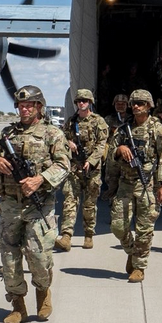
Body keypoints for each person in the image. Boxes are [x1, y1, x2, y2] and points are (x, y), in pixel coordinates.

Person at [0, 85, 70, 323]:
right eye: (21, 105)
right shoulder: (7, 134)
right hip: (10, 204)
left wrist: (40, 179)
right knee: (9, 256)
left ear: (39, 106)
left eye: (30, 104)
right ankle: (17, 305)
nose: (25, 109)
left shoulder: (53, 134)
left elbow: (64, 165)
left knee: (39, 256)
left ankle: (43, 293)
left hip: (38, 205)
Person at [108, 89, 162, 283]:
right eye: (134, 103)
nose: (136, 106)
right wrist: (120, 149)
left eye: (141, 103)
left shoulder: (158, 129)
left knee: (145, 228)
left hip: (148, 185)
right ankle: (132, 251)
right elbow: (110, 154)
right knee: (118, 226)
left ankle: (139, 266)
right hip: (126, 184)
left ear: (149, 106)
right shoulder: (123, 129)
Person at [59, 89, 109, 250]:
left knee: (89, 204)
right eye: (79, 100)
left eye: (85, 101)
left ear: (90, 103)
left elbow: (102, 144)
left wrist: (91, 160)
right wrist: (69, 144)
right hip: (74, 168)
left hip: (91, 169)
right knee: (69, 202)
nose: (82, 103)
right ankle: (66, 235)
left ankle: (88, 234)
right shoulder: (71, 122)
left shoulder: (98, 122)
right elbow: (62, 139)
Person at [100, 93, 130, 202]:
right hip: (112, 155)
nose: (120, 106)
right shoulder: (108, 119)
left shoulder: (131, 119)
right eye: (118, 104)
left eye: (123, 104)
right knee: (111, 182)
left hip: (126, 154)